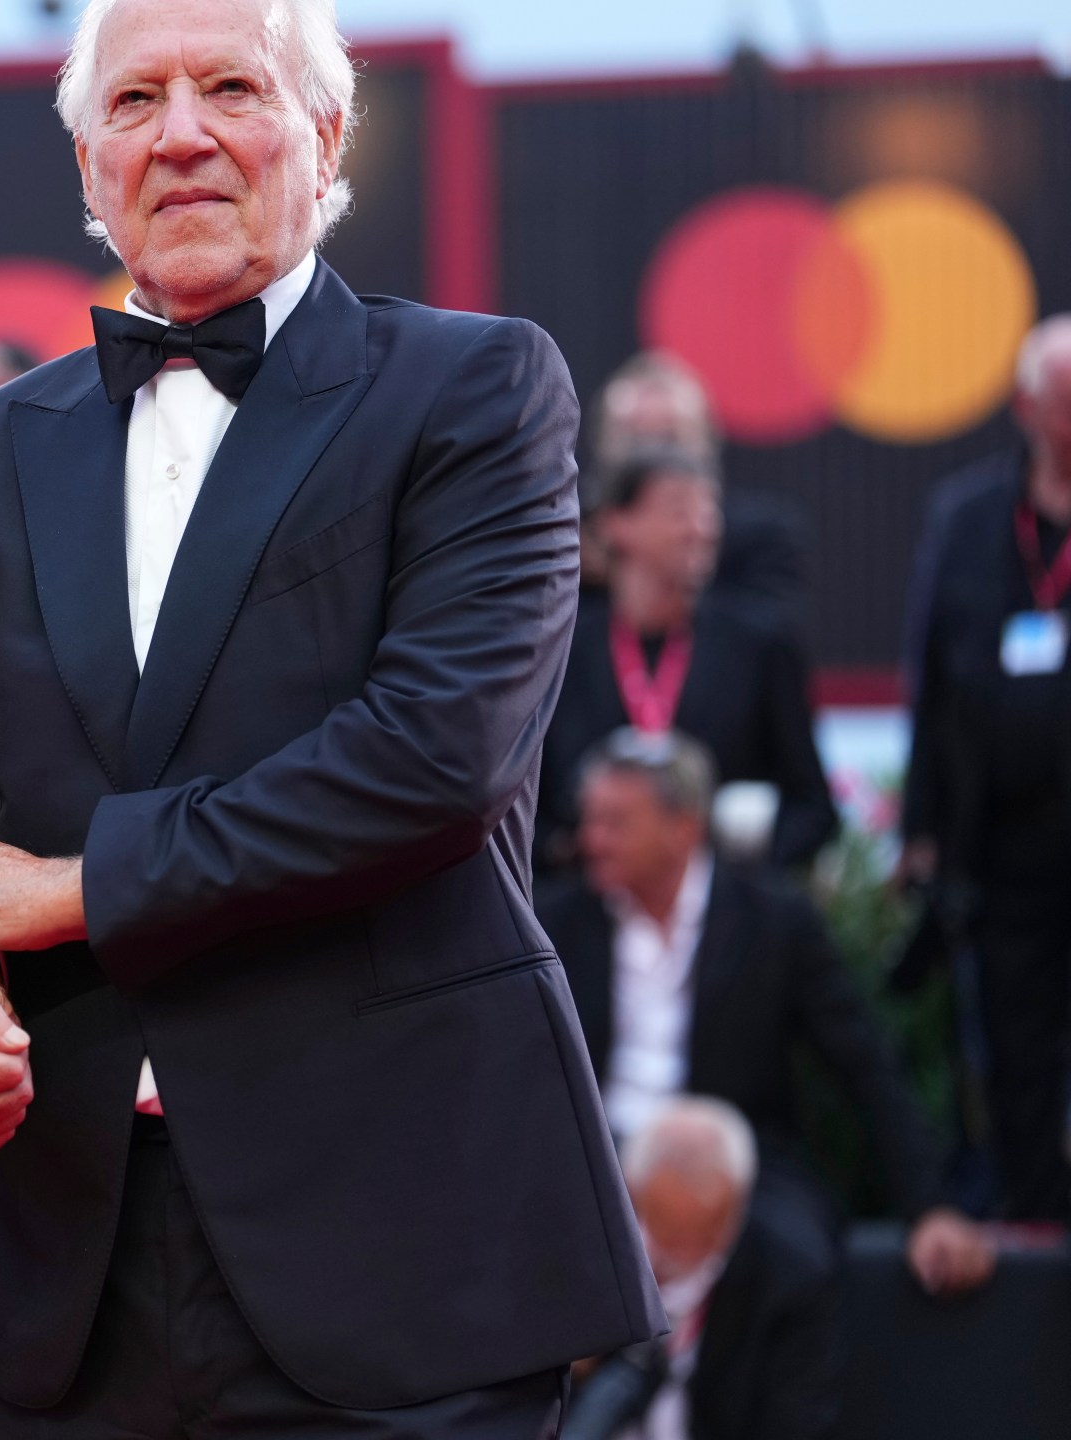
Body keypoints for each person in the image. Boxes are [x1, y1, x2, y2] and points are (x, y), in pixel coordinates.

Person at [0, 0, 659, 1433]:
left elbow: (432, 760)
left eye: (230, 88)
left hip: (404, 1246)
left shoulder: (478, 387)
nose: (183, 134)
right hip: (60, 1269)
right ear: (88, 168)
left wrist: (81, 892)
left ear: (325, 138)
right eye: (135, 102)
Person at [540, 727, 993, 1295]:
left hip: (738, 1163)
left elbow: (865, 1065)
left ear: (684, 828)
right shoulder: (553, 923)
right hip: (592, 1166)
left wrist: (930, 1207)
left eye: (615, 822)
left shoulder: (774, 922)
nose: (592, 840)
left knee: (795, 1250)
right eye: (590, 820)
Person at [903, 313, 1071, 1219]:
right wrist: (920, 831)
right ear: (1028, 408)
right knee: (1010, 1055)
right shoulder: (968, 519)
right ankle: (1034, 1235)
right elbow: (928, 676)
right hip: (998, 847)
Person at [537, 447, 837, 872]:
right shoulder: (561, 652)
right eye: (679, 510)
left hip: (720, 923)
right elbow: (529, 806)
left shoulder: (761, 648)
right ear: (616, 524)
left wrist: (731, 889)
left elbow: (812, 809)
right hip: (585, 918)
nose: (702, 529)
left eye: (709, 511)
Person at [568, 1097, 839, 1440]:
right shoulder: (583, 1246)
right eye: (665, 1231)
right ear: (630, 1193)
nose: (679, 1258)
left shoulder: (789, 1276)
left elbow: (795, 1423)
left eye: (703, 1240)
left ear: (738, 1207)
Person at [591, 351, 810, 637]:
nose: (654, 456)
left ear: (706, 441)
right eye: (636, 439)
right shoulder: (569, 544)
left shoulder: (761, 540)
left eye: (670, 437)